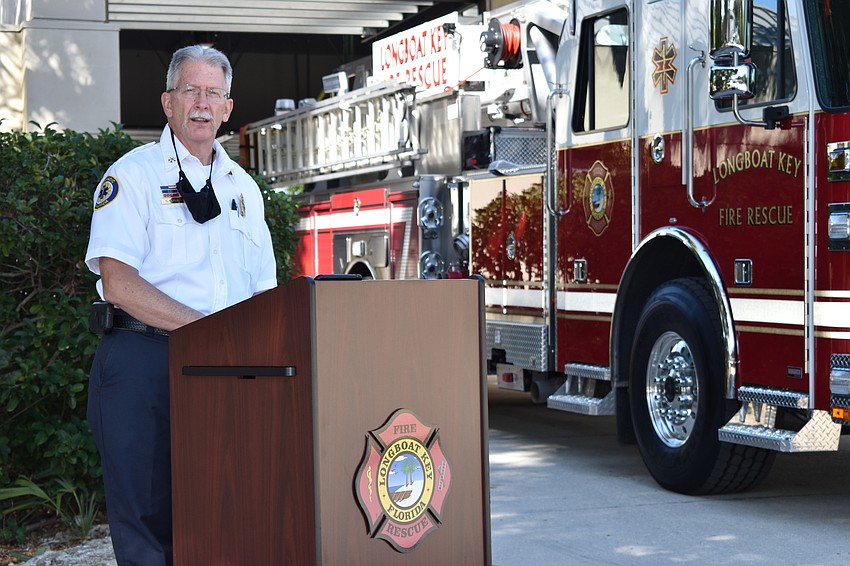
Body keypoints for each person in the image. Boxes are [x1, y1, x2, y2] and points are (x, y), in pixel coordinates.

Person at [84, 45, 277, 565]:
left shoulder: (244, 189)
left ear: (228, 108)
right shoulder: (132, 177)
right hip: (142, 363)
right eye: (190, 90)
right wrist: (208, 331)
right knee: (147, 521)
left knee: (223, 509)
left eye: (213, 93)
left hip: (225, 370)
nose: (202, 102)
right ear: (167, 102)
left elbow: (263, 290)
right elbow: (119, 283)